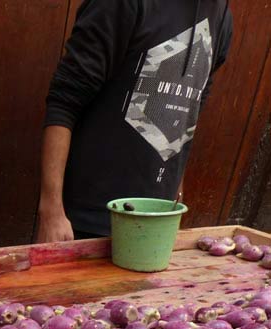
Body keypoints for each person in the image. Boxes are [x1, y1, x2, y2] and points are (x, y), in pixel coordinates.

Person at [35, 0, 233, 242]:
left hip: (157, 222)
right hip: (88, 222)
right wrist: (52, 211)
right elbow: (64, 100)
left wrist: (175, 189)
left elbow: (190, 108)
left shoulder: (221, 15)